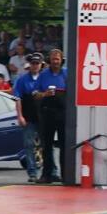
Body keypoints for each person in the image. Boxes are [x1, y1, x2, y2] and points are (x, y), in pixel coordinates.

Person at [36, 49, 68, 184]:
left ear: (61, 60)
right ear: (49, 60)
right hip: (47, 112)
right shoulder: (43, 75)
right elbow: (35, 93)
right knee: (47, 145)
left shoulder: (67, 73)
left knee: (64, 145)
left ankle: (66, 175)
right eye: (53, 59)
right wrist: (44, 94)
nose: (55, 62)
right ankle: (46, 175)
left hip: (63, 112)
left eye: (58, 59)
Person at [13, 53, 44, 182]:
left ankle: (48, 172)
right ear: (29, 65)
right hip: (29, 116)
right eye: (33, 63)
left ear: (41, 65)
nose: (35, 66)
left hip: (43, 116)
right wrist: (20, 116)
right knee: (29, 145)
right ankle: (32, 173)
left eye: (37, 63)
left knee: (46, 145)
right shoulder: (22, 79)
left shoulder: (44, 77)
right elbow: (18, 98)